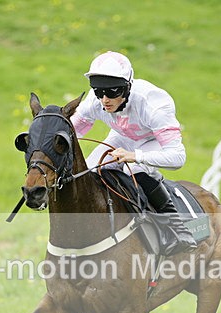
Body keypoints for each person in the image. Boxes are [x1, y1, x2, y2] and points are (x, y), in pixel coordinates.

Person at [70, 51, 196, 255]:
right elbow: (70, 132)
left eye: (112, 92)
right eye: (98, 92)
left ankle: (178, 228)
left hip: (153, 141)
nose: (104, 100)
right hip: (122, 137)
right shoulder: (96, 101)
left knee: (135, 169)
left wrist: (135, 156)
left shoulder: (153, 104)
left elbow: (178, 157)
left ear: (127, 87)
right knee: (90, 171)